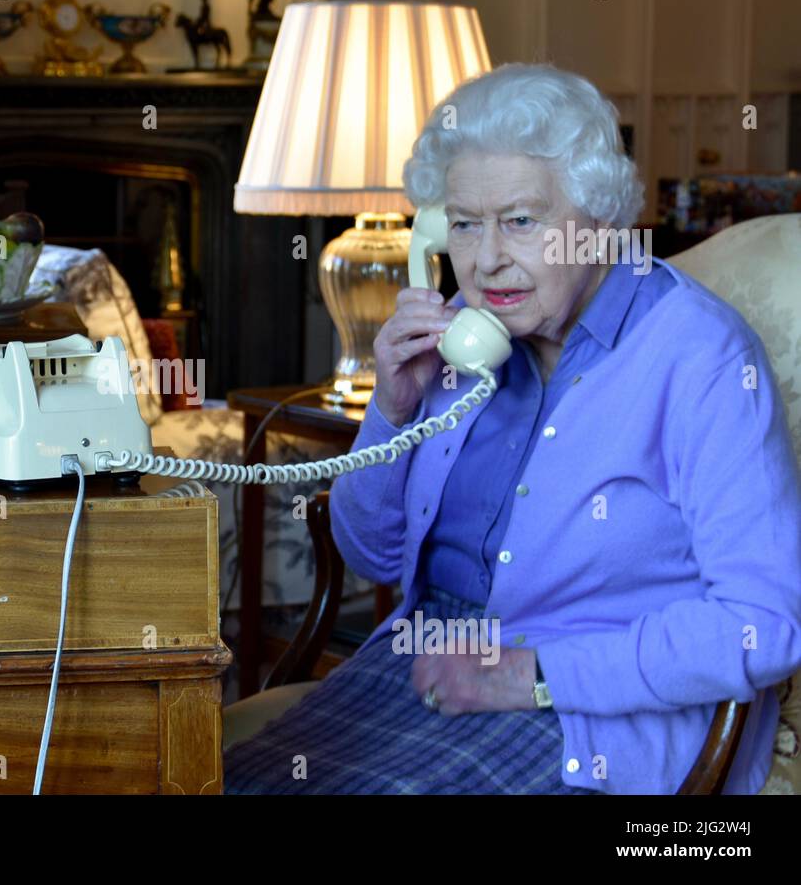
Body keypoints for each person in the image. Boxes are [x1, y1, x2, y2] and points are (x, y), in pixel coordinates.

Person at [224, 63, 801, 795]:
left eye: (521, 221)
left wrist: (530, 675)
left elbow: (765, 622)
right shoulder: (467, 341)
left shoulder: (701, 358)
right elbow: (369, 552)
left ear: (597, 221)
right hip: (423, 664)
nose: (487, 258)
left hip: (589, 714)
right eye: (464, 223)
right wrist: (390, 409)